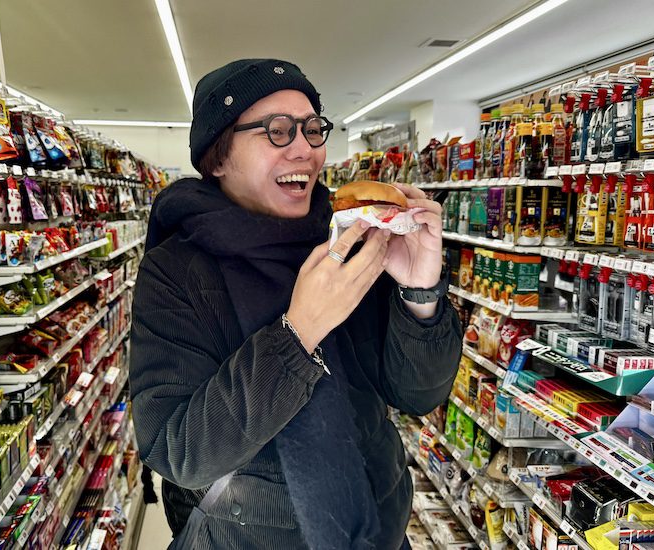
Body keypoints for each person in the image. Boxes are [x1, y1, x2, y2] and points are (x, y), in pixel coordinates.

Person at [130, 58, 462, 549]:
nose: (306, 149)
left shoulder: (351, 237)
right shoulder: (176, 270)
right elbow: (176, 449)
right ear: (217, 158)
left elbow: (416, 396)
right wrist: (298, 333)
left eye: (312, 128)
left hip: (379, 528)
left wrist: (421, 296)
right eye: (277, 131)